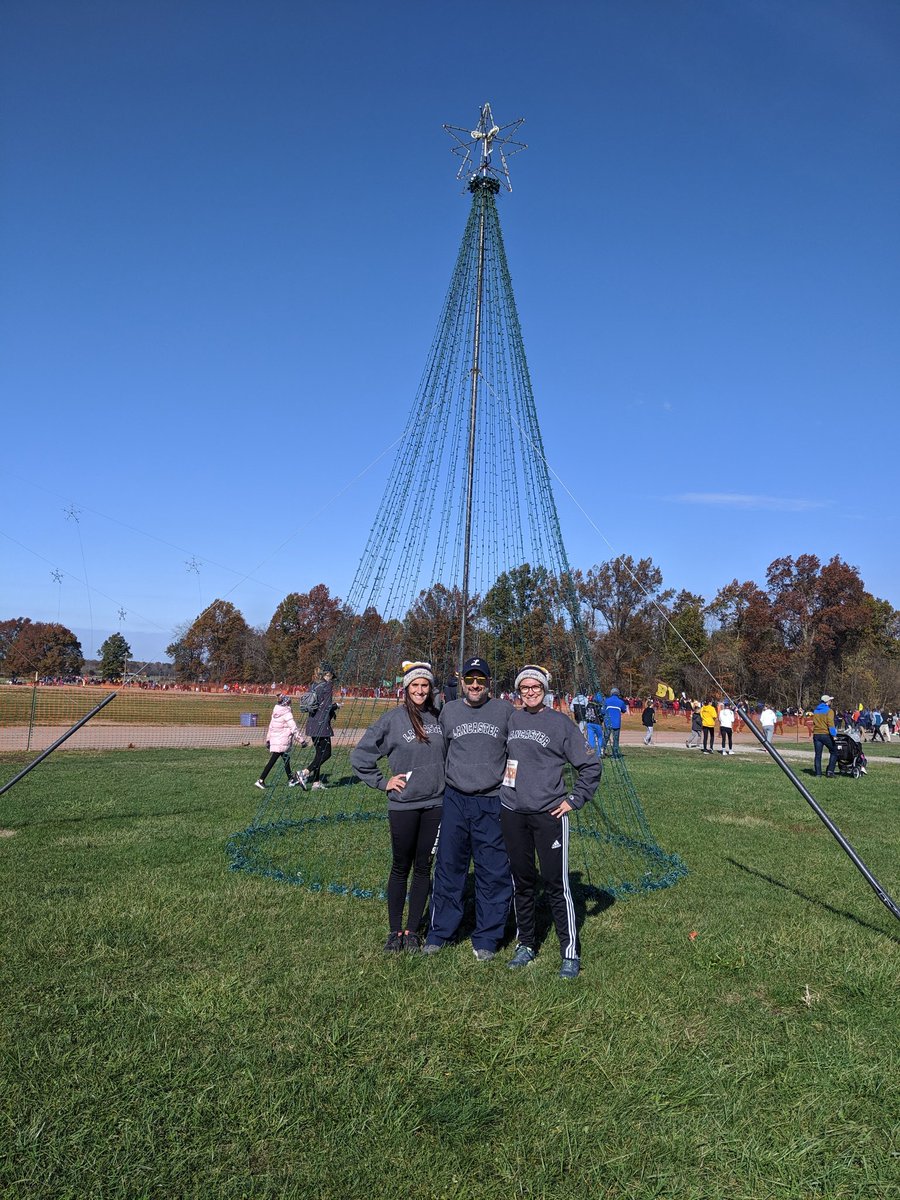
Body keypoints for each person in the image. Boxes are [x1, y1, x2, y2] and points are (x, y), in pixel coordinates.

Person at [500, 665, 601, 980]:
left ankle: (569, 953)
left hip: (549, 813)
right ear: (519, 691)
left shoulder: (560, 724)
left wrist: (573, 799)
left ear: (545, 690)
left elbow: (590, 765)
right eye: (525, 687)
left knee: (557, 885)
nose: (530, 692)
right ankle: (526, 944)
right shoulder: (512, 719)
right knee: (523, 882)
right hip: (514, 811)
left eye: (536, 687)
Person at [350, 661, 445, 953]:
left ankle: (413, 930)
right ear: (405, 688)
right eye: (414, 685)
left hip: (435, 805)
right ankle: (394, 931)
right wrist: (383, 782)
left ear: (430, 689)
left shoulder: (438, 717)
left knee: (423, 867)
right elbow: (360, 756)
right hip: (404, 805)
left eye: (424, 685)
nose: (419, 690)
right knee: (400, 866)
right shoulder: (392, 720)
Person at [424, 656, 513, 961]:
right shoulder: (449, 711)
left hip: (491, 800)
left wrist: (508, 788)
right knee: (449, 867)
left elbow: (514, 752)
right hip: (456, 800)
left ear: (490, 683)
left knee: (493, 871)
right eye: (470, 679)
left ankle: (487, 937)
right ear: (461, 682)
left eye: (481, 680)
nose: (475, 685)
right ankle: (440, 932)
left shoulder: (504, 710)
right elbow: (443, 752)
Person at [296, 667, 338, 790]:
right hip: (322, 725)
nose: (332, 681)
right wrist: (335, 706)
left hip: (312, 723)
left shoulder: (313, 685)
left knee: (319, 754)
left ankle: (316, 781)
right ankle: (303, 773)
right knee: (327, 753)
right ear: (327, 675)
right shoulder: (327, 686)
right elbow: (327, 706)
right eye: (332, 677)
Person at [254, 694, 307, 789]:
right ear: (286, 703)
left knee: (286, 759)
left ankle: (291, 779)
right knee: (272, 761)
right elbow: (293, 728)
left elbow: (271, 727)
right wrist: (302, 740)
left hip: (276, 740)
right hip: (282, 741)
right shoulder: (287, 713)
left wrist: (268, 740)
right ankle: (261, 780)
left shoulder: (275, 712)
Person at [812, 694, 838, 777]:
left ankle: (818, 773)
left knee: (818, 754)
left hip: (816, 734)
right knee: (834, 751)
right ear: (827, 702)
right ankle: (830, 771)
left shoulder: (815, 711)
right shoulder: (829, 711)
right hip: (825, 734)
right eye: (830, 700)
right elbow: (830, 723)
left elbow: (814, 722)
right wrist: (834, 734)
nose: (831, 702)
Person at [601, 687, 628, 758]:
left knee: (606, 737)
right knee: (615, 739)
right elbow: (624, 710)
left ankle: (602, 751)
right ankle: (615, 754)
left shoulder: (606, 701)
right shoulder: (621, 702)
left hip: (607, 722)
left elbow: (602, 711)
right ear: (618, 694)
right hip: (616, 723)